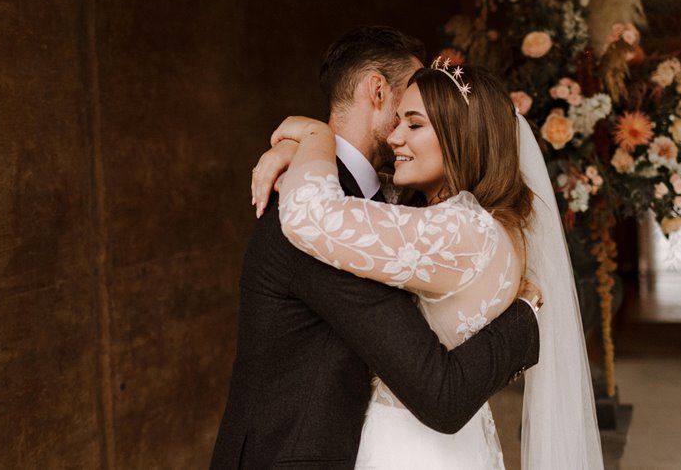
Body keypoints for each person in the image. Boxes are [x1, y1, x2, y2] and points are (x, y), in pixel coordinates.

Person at [209, 26, 541, 470]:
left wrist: (308, 137)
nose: (404, 128)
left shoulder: (388, 209)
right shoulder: (317, 209)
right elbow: (438, 388)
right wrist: (526, 318)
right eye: (406, 109)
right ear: (378, 91)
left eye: (418, 120)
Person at [267, 61, 603, 468]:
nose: (393, 138)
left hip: (411, 448)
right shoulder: (489, 224)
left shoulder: (460, 232)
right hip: (456, 442)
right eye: (397, 123)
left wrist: (314, 135)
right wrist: (291, 150)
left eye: (414, 125)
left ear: (461, 135)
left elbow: (309, 214)